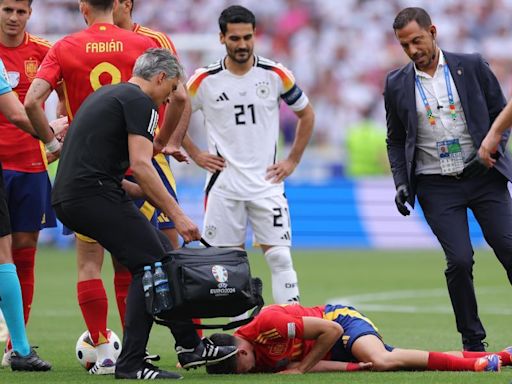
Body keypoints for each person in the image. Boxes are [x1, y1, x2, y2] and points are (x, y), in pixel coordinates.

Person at [51, 48, 237, 380]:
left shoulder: (110, 94)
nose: (170, 100)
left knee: (163, 256)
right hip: (92, 195)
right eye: (172, 88)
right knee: (151, 266)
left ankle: (189, 346)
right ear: (161, 78)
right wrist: (178, 216)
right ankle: (132, 363)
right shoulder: (142, 102)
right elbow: (141, 163)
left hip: (76, 195)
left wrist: (131, 188)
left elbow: (90, 158)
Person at [23, 0, 185, 374]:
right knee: (142, 261)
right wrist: (161, 141)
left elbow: (33, 101)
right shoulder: (143, 44)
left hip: (79, 166)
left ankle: (103, 349)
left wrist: (50, 141)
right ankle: (142, 355)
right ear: (119, 5)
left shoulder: (64, 46)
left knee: (90, 264)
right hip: (131, 163)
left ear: (82, 7)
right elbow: (179, 96)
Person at [384, 7, 512, 352]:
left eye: (417, 40)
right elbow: (395, 139)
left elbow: (501, 113)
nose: (412, 50)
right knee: (458, 260)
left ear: (433, 31)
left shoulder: (470, 65)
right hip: (436, 185)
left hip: (484, 175)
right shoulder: (396, 83)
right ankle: (473, 341)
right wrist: (401, 182)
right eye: (404, 45)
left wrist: (494, 147)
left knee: (509, 248)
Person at [184, 5, 315, 305]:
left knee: (281, 258)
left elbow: (306, 115)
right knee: (224, 269)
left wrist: (292, 160)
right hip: (224, 186)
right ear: (221, 38)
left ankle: (290, 328)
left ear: (255, 35)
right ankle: (238, 336)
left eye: (247, 37)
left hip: (266, 183)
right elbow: (174, 112)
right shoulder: (204, 80)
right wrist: (195, 153)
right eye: (235, 38)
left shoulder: (275, 74)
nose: (242, 45)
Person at [112, 0, 203, 335]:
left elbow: (179, 96)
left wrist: (166, 142)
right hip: (115, 161)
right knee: (125, 256)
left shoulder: (153, 40)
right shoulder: (88, 40)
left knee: (169, 250)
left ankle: (190, 341)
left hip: (142, 157)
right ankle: (138, 342)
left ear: (126, 4)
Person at [0, 0, 67, 366]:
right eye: (7, 9)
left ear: (30, 13)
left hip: (29, 166)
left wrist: (57, 139)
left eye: (20, 11)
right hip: (3, 164)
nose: (13, 17)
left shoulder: (43, 52)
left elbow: (70, 98)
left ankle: (15, 345)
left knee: (24, 255)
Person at [205, 303, 506, 374]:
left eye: (243, 362)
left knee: (383, 360)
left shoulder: (269, 322)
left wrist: (300, 368)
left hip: (340, 321)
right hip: (330, 350)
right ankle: (503, 357)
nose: (251, 367)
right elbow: (312, 365)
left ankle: (475, 367)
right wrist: (350, 369)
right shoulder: (256, 363)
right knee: (396, 359)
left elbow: (330, 332)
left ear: (240, 350)